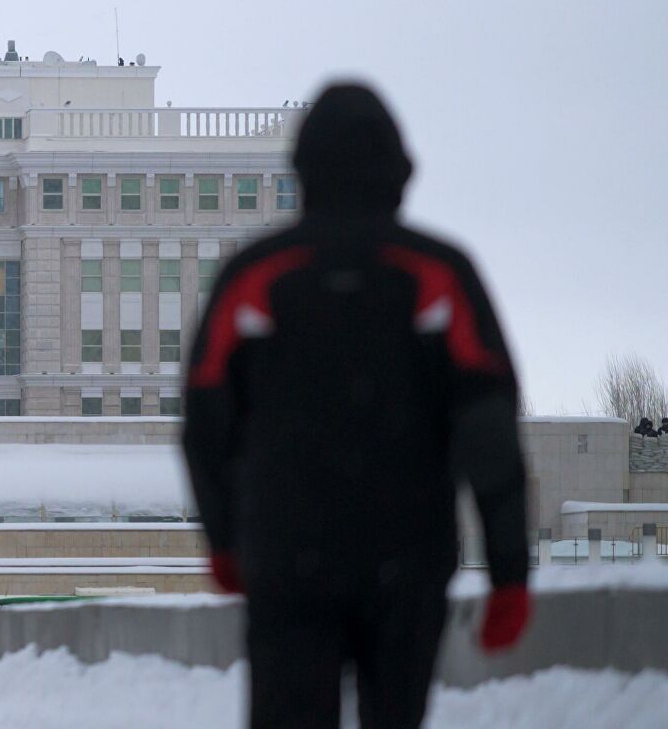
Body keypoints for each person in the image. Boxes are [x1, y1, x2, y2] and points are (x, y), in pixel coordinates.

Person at [182, 83, 531, 729]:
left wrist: (225, 539)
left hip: (287, 559)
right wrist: (510, 571)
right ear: (399, 169)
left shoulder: (256, 274)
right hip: (407, 558)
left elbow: (205, 419)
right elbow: (489, 429)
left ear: (302, 170)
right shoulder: (441, 273)